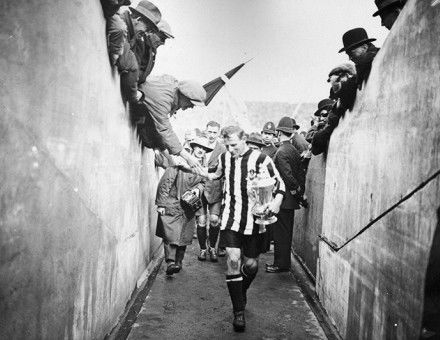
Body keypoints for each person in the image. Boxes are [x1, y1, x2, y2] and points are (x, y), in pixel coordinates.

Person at [206, 126, 285, 332]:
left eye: (234, 145)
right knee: (232, 260)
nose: (231, 150)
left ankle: (241, 292)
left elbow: (279, 185)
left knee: (250, 265)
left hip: (255, 221)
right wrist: (191, 166)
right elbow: (214, 176)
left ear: (244, 140)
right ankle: (238, 311)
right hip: (231, 219)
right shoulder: (224, 158)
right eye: (227, 146)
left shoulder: (260, 160)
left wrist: (276, 202)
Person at [155, 137, 212, 275]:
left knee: (184, 236)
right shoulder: (179, 162)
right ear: (193, 148)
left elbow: (204, 183)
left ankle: (178, 262)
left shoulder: (202, 168)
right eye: (199, 147)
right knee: (170, 235)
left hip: (189, 206)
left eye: (204, 149)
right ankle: (170, 263)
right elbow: (165, 183)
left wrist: (197, 189)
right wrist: (161, 204)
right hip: (172, 203)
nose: (201, 151)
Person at [134, 75, 207, 172]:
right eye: (191, 103)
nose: (191, 107)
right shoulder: (163, 100)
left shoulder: (172, 85)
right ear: (184, 96)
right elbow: (165, 130)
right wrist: (188, 157)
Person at [266, 117, 305, 273]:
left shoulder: (281, 151)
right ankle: (283, 263)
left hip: (283, 199)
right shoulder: (293, 150)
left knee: (281, 233)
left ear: (279, 132)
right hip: (290, 200)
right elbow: (299, 174)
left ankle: (280, 264)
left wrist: (294, 191)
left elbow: (287, 176)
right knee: (285, 233)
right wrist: (298, 193)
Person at [196, 121, 227, 261]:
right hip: (200, 188)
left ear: (218, 133)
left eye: (215, 132)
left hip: (215, 189)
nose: (212, 135)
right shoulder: (199, 145)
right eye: (210, 132)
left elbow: (225, 170)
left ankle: (212, 247)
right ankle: (203, 249)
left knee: (214, 220)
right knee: (201, 220)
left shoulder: (222, 149)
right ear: (205, 131)